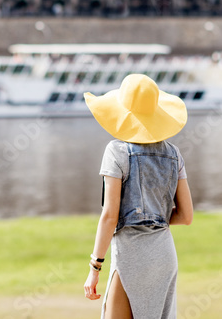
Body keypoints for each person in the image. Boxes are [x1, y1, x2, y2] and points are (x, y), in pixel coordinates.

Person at [82, 73, 195, 318]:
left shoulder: (116, 152)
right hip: (164, 254)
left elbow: (110, 215)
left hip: (132, 253)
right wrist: (157, 218)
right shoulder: (174, 155)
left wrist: (95, 267)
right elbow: (186, 216)